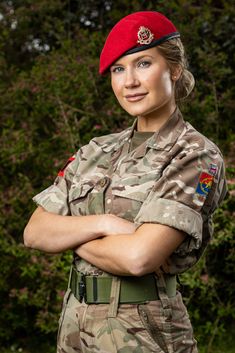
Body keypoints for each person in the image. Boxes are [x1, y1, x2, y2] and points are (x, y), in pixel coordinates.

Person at [23, 11, 227, 353]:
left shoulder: (195, 155)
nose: (129, 81)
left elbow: (138, 257)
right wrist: (104, 223)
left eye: (143, 63)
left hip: (144, 331)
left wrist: (69, 235)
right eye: (119, 69)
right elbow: (35, 232)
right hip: (75, 325)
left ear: (174, 69)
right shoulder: (96, 149)